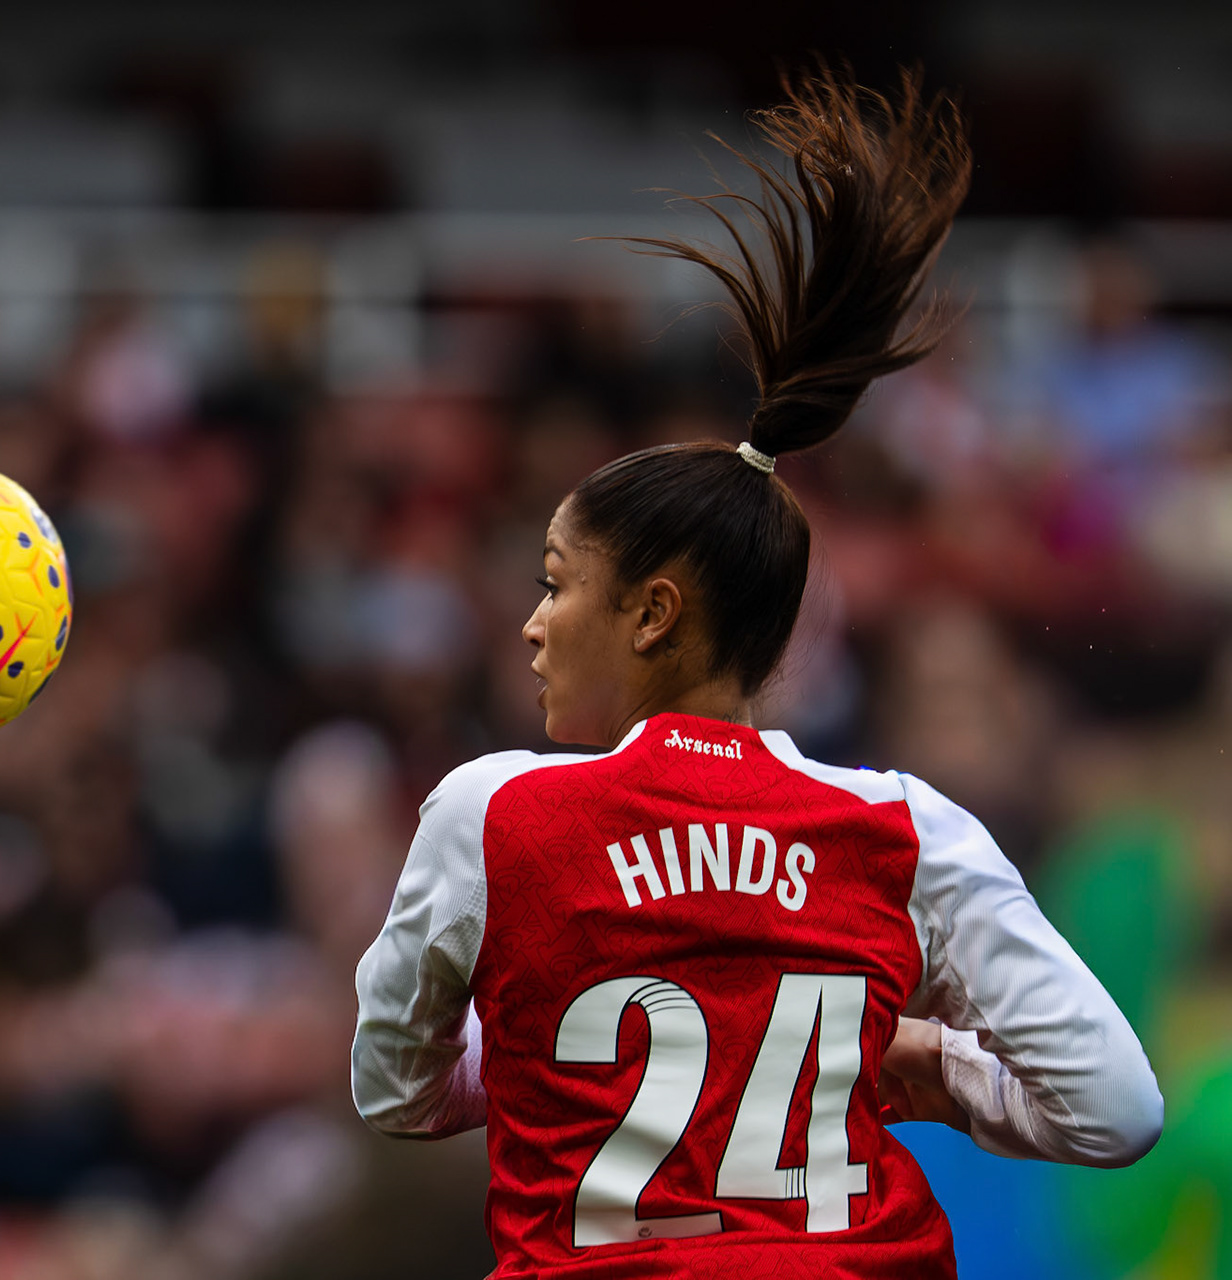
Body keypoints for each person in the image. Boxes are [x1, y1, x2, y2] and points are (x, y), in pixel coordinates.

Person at [350, 68, 1161, 1278]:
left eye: (556, 581)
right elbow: (1115, 1108)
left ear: (653, 612)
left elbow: (390, 1089)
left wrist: (526, 1055)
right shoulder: (904, 826)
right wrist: (939, 1066)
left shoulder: (496, 813)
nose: (530, 623)